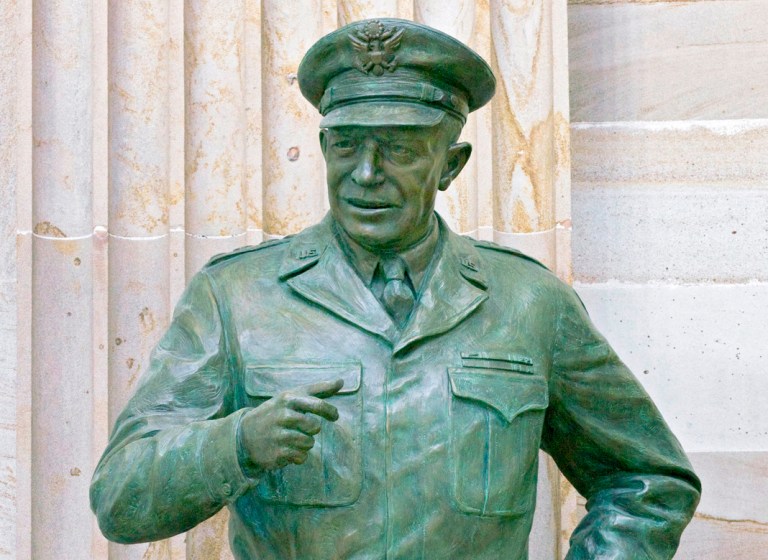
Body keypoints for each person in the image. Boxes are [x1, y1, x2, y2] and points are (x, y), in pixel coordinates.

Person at [91, 18, 700, 559]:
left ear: (450, 164)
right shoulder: (237, 297)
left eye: (400, 150)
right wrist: (238, 444)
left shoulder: (530, 302)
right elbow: (121, 499)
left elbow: (647, 480)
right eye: (347, 146)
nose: (365, 174)